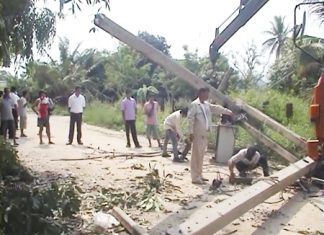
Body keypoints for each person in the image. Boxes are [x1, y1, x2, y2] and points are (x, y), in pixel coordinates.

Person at [188, 87, 233, 184]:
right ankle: (195, 177)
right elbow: (190, 119)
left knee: (201, 156)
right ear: (200, 93)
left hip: (205, 135)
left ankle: (199, 174)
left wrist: (228, 112)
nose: (207, 96)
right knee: (196, 156)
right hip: (197, 134)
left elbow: (216, 108)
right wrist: (191, 133)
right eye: (206, 93)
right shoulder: (195, 105)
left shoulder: (207, 105)